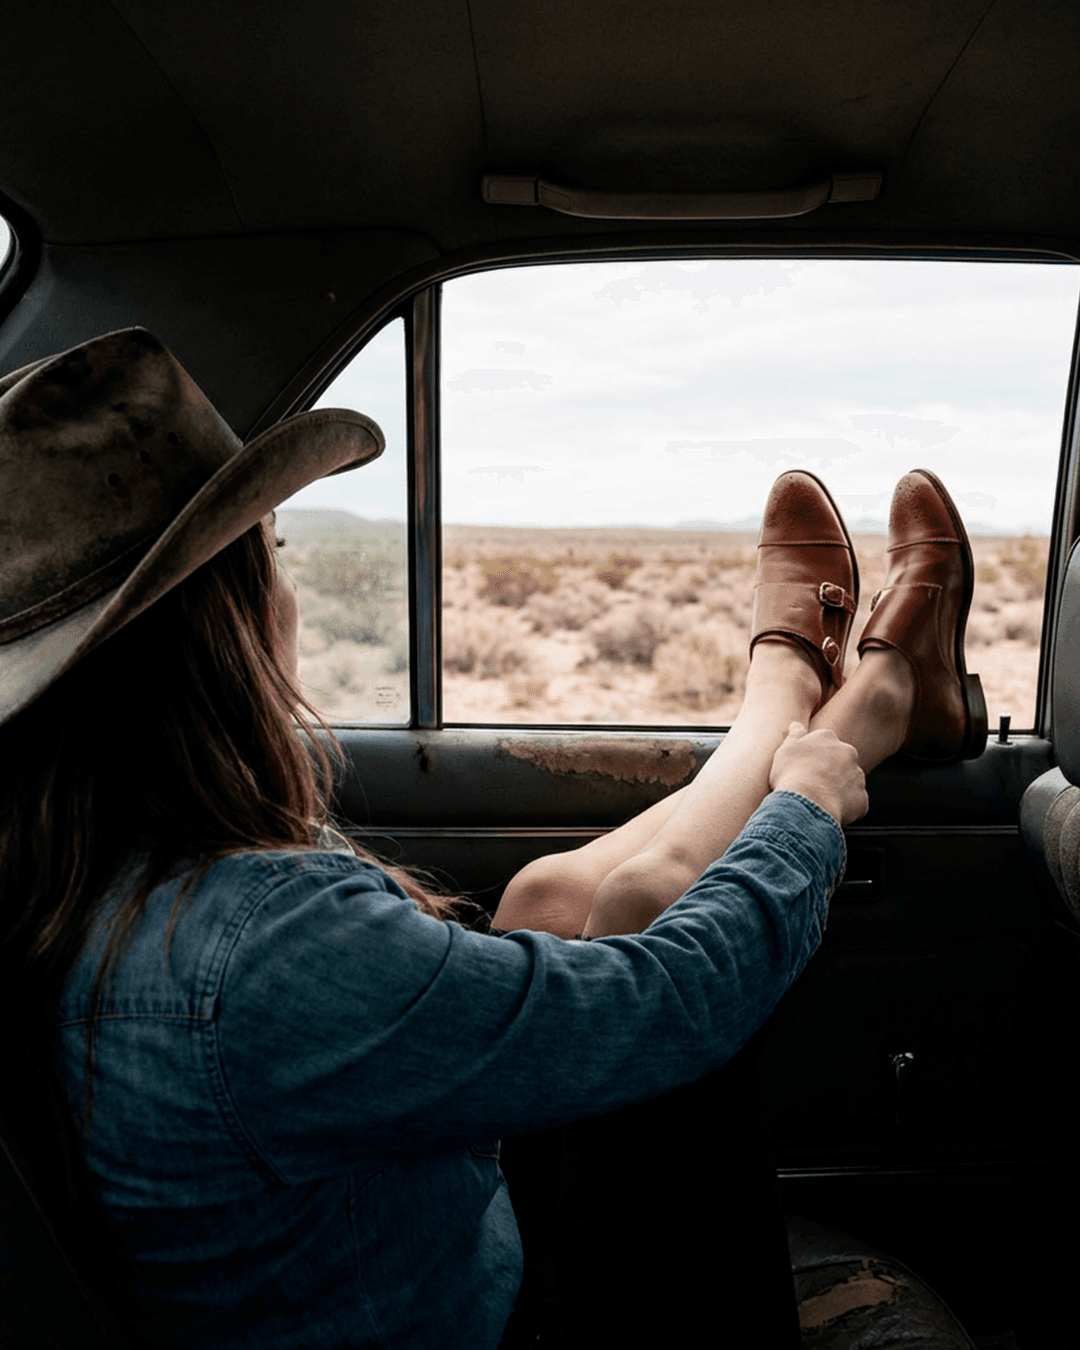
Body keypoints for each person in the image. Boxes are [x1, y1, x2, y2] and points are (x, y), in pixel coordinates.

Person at [0, 328, 986, 1348]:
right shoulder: (259, 952)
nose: (287, 592)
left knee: (549, 903)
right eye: (275, 558)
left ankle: (783, 698)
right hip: (476, 1326)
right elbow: (676, 1005)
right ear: (226, 624)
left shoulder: (83, 880)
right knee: (650, 923)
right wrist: (812, 809)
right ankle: (863, 702)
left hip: (400, 1257)